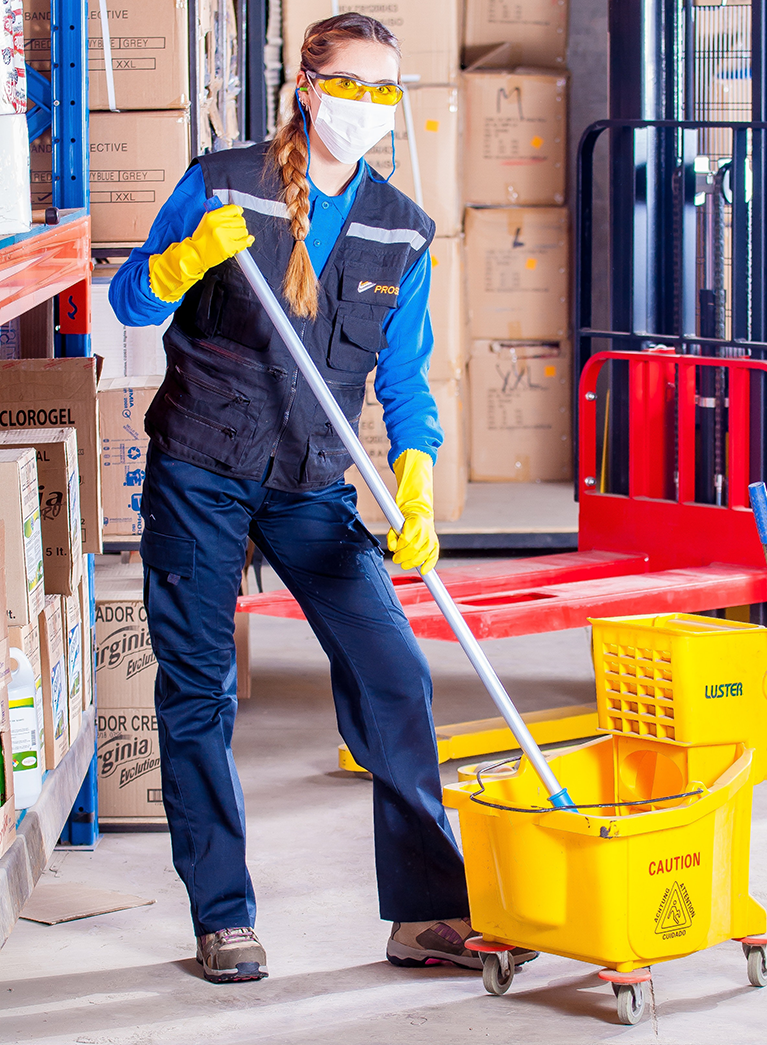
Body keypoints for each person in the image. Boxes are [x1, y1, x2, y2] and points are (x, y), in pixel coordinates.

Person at [109, 13, 537, 985]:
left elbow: (407, 382)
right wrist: (181, 261)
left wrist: (418, 486)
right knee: (197, 694)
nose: (368, 107)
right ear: (307, 87)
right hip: (203, 468)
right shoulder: (224, 183)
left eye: (386, 91)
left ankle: (425, 911)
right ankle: (223, 916)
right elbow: (132, 302)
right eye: (352, 86)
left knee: (395, 673)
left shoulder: (399, 224)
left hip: (310, 480)